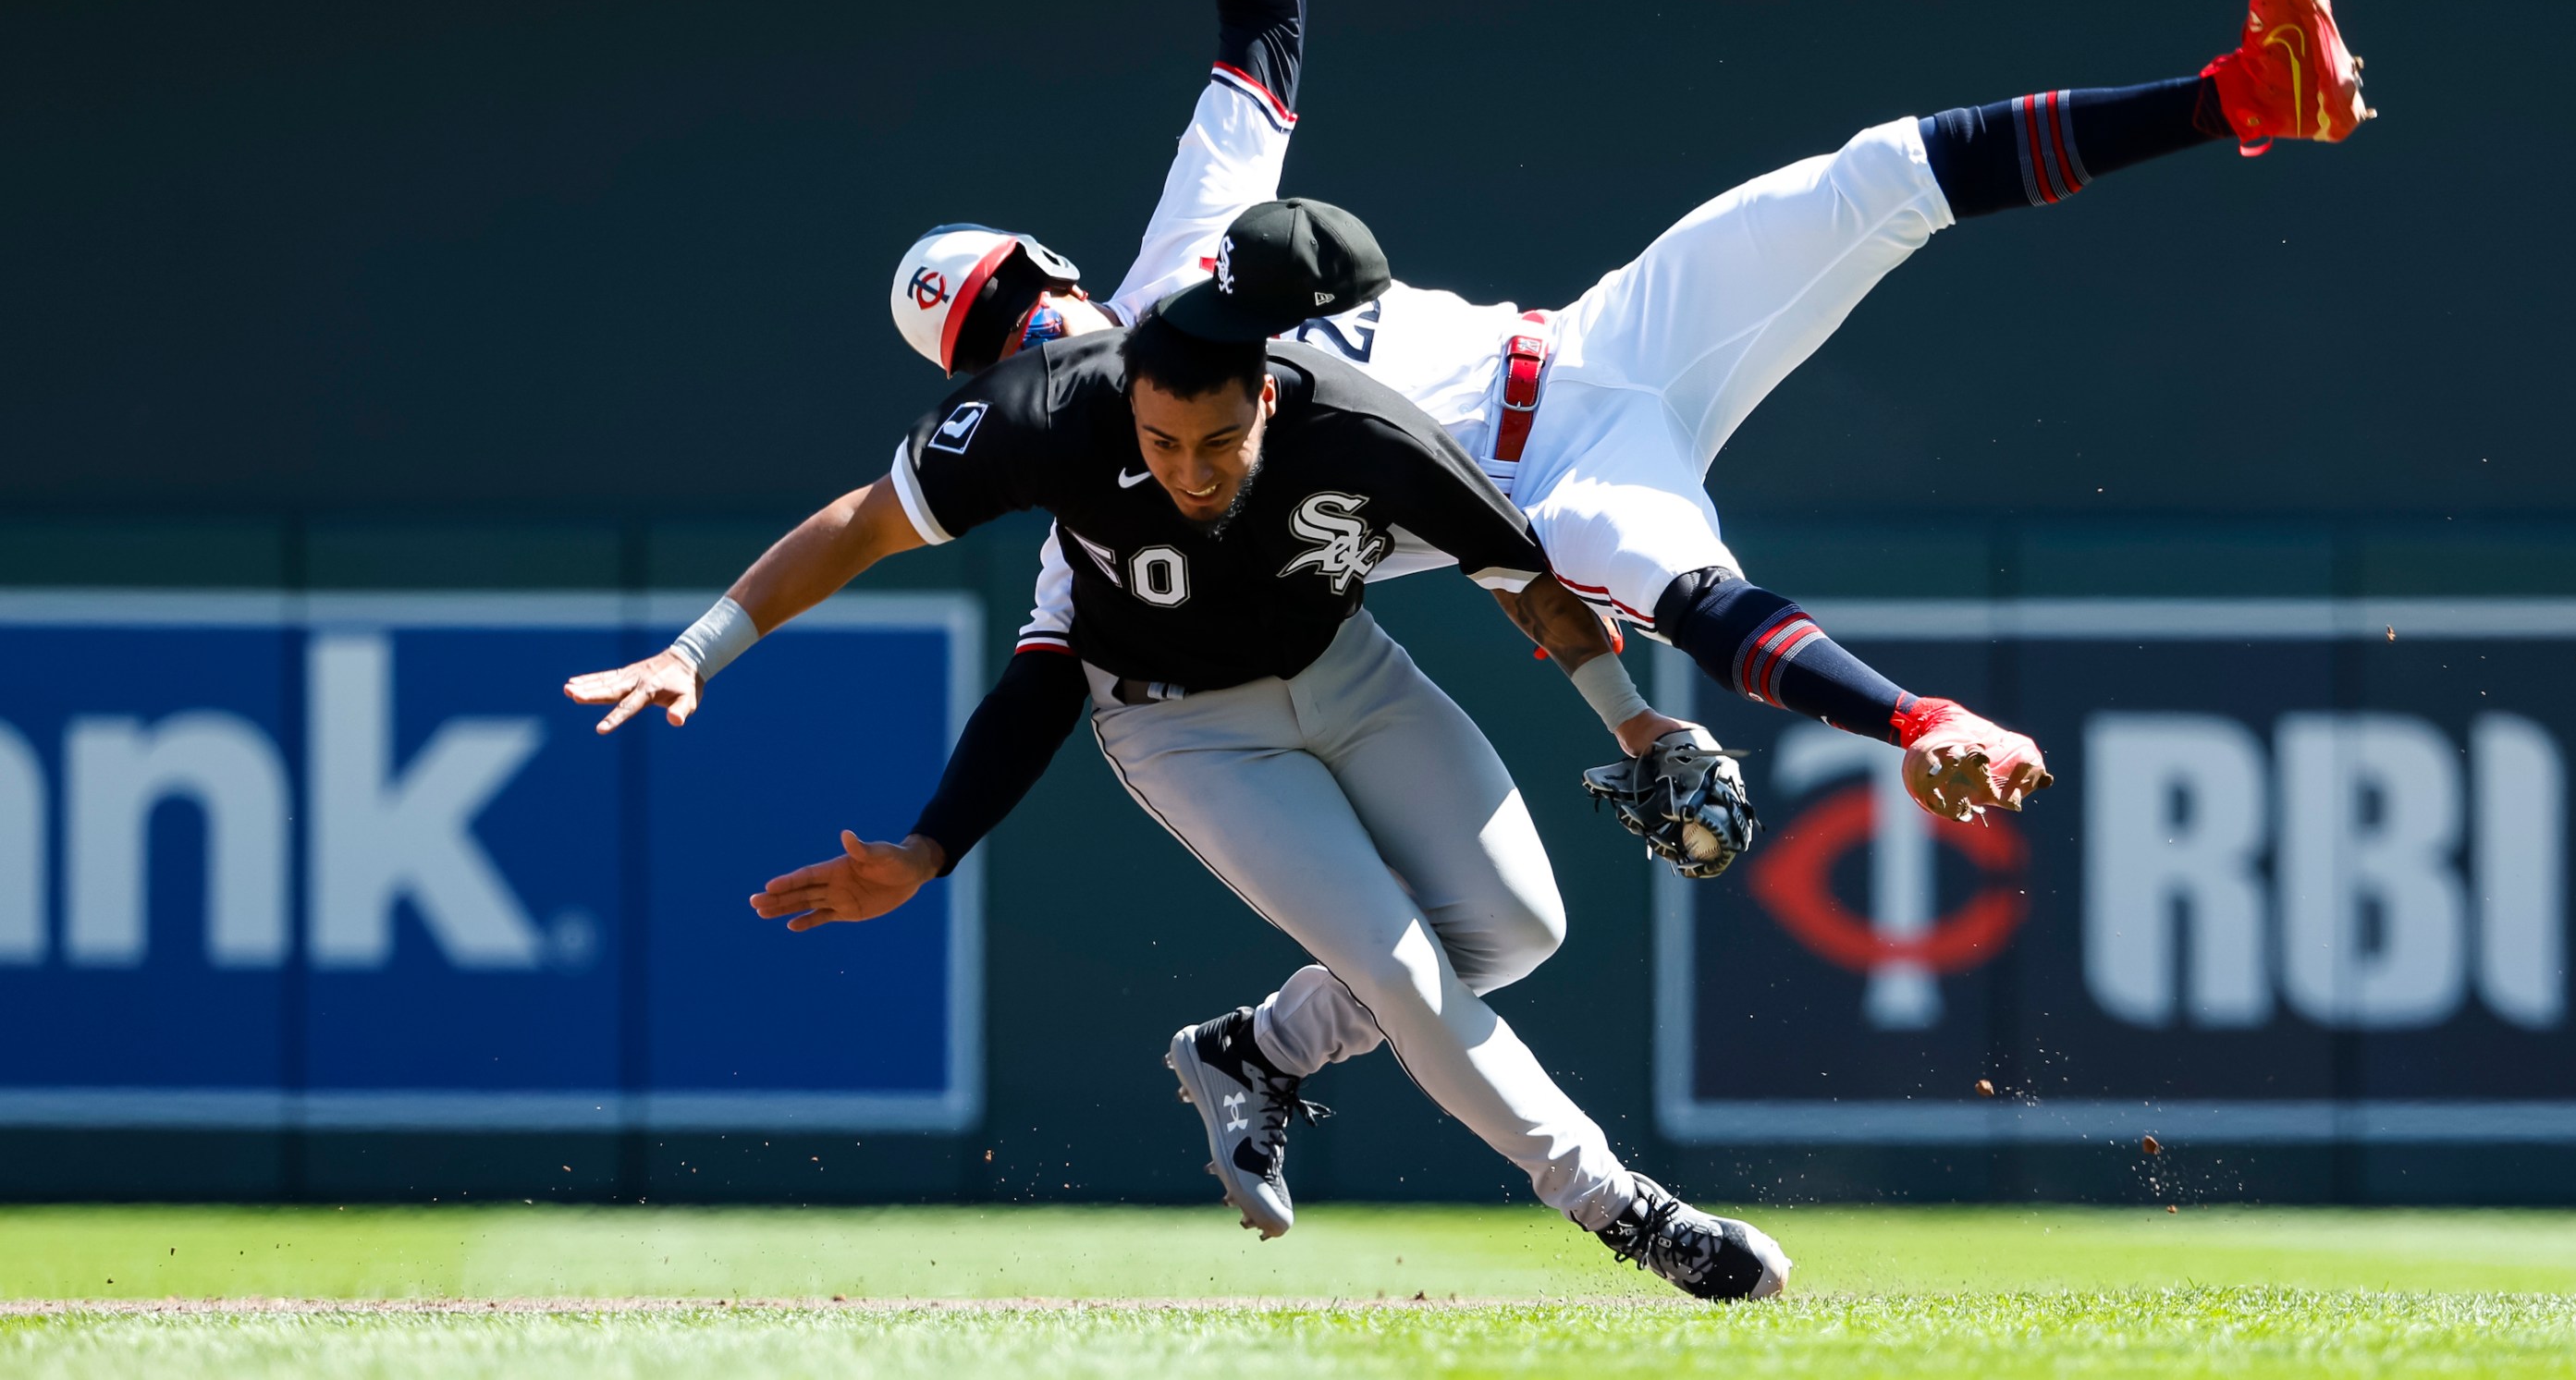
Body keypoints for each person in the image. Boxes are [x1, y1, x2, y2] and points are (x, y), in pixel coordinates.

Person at [891, 0, 2374, 900]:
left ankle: (2247, 98)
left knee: (1873, 180)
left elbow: (1262, 26)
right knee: (1700, 593)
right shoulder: (1098, 490)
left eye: (1019, 292)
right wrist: (1898, 722)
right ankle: (1921, 711)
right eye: (999, 339)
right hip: (1546, 500)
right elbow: (1046, 672)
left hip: (1601, 338)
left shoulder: (1181, 254)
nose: (1033, 329)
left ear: (1055, 266)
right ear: (994, 388)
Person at [562, 215, 1791, 1301]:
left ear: (1267, 394)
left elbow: (1523, 578)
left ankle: (1256, 1049)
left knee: (1515, 932)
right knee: (1401, 967)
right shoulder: (1043, 415)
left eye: (1214, 443)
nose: (1189, 474)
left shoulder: (1357, 421)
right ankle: (1628, 1211)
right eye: (1159, 444)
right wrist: (700, 652)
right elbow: (866, 530)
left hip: (1348, 672)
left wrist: (1634, 717)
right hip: (1183, 726)